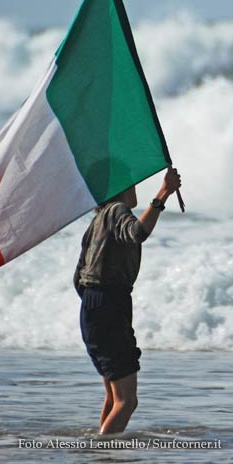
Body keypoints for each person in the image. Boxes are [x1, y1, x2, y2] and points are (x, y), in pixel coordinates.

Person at [74, 167, 182, 434]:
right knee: (127, 401)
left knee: (114, 398)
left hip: (92, 306)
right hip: (109, 303)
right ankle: (102, 451)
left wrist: (96, 305)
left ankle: (102, 453)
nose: (134, 188)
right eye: (131, 183)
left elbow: (78, 277)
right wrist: (164, 192)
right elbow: (138, 232)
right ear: (120, 187)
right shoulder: (116, 210)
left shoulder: (97, 220)